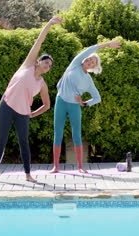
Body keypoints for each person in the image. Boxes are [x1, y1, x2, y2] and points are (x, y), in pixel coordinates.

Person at [0, 16, 63, 183]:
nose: (47, 65)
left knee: (24, 143)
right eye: (46, 61)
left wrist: (32, 114)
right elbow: (39, 41)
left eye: (50, 65)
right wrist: (49, 23)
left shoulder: (42, 84)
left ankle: (28, 175)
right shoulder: (28, 65)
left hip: (23, 113)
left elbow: (47, 105)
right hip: (6, 106)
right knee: (1, 140)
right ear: (38, 61)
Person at [50, 40, 121, 173]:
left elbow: (97, 98)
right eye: (89, 59)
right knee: (57, 133)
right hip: (61, 101)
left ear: (93, 67)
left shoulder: (88, 80)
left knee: (77, 134)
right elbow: (90, 49)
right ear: (84, 60)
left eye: (93, 62)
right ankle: (56, 167)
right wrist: (107, 44)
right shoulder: (74, 65)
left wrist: (84, 103)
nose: (89, 61)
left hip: (75, 106)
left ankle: (80, 167)